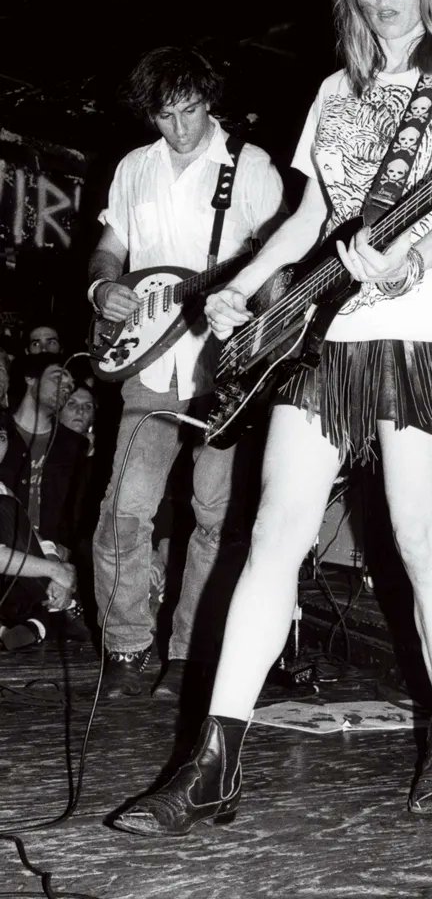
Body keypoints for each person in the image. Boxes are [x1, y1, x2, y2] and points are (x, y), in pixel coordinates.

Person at [113, 0, 432, 836]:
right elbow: (307, 220)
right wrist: (235, 287)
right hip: (326, 335)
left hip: (420, 326)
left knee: (419, 536)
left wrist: (416, 262)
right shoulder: (336, 90)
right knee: (272, 535)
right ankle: (214, 763)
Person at [87, 45, 286, 700]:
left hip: (222, 366)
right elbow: (110, 247)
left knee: (213, 516)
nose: (179, 127)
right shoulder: (133, 168)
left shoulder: (249, 167)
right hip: (148, 363)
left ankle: (190, 655)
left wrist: (261, 312)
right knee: (124, 512)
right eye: (165, 115)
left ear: (210, 99)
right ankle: (126, 647)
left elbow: (280, 267)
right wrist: (103, 290)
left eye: (191, 110)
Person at [0, 357, 88, 644]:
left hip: (48, 552)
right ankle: (47, 619)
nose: (67, 387)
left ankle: (38, 620)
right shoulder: (2, 430)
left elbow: (76, 516)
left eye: (72, 385)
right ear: (30, 378)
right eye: (59, 377)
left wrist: (60, 563)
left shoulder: (73, 445)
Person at [1, 411, 78, 651]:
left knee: (9, 507)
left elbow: (34, 538)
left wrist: (58, 571)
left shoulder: (2, 489)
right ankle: (54, 616)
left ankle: (38, 621)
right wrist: (55, 571)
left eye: (1, 437)